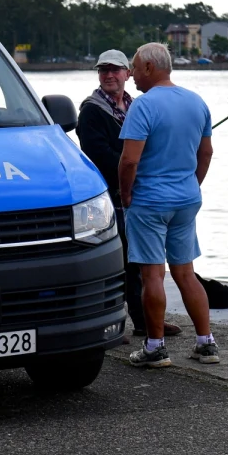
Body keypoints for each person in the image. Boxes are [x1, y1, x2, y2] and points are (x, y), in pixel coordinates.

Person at [119, 42, 217, 368]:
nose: (131, 74)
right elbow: (206, 153)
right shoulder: (196, 102)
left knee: (152, 275)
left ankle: (155, 347)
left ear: (149, 67)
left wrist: (125, 194)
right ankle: (206, 343)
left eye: (134, 67)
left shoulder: (143, 106)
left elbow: (129, 161)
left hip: (149, 201)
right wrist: (192, 184)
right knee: (186, 273)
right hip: (186, 199)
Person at [75, 49, 180, 343]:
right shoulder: (91, 111)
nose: (109, 75)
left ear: (127, 73)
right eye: (103, 70)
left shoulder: (135, 105)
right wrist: (137, 170)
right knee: (115, 263)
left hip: (136, 194)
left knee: (139, 260)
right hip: (108, 198)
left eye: (115, 70)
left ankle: (146, 321)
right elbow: (99, 155)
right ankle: (114, 323)